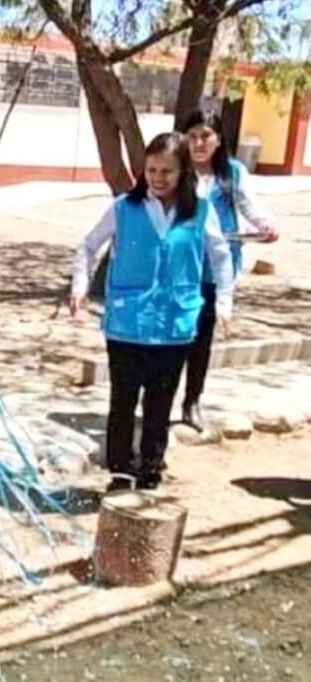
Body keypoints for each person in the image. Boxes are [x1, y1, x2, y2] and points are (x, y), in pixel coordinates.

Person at [69, 132, 234, 492]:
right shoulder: (124, 208)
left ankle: (150, 472)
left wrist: (224, 302)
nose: (158, 178)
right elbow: (88, 246)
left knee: (159, 406)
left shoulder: (200, 211)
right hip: (126, 326)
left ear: (183, 171)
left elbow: (221, 257)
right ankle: (120, 473)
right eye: (152, 170)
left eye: (167, 171)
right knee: (123, 403)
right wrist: (80, 286)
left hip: (174, 327)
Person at [177, 109, 280, 431]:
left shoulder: (232, 173)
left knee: (202, 337)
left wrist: (266, 225)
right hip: (181, 268)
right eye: (192, 136)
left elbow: (249, 205)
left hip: (217, 269)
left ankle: (192, 401)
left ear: (219, 139)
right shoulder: (176, 168)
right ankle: (160, 400)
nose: (198, 143)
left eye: (205, 136)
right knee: (174, 335)